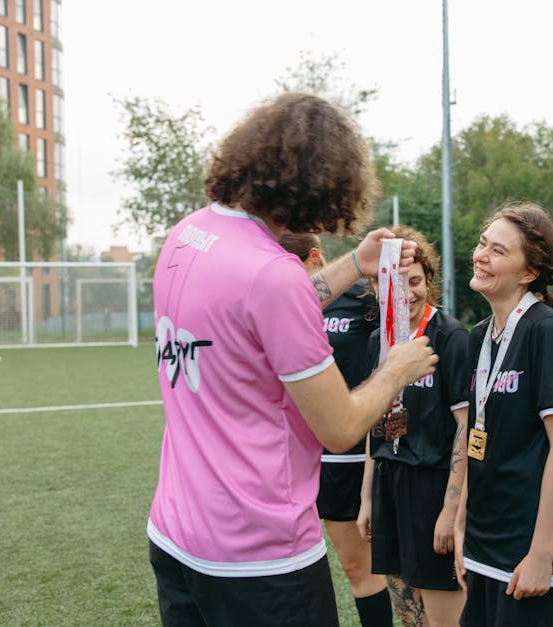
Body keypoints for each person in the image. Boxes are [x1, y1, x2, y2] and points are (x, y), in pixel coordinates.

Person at [148, 92, 437, 627]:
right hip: (258, 554)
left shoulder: (187, 235)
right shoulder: (273, 274)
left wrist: (356, 263)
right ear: (321, 185)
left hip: (175, 534)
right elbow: (339, 427)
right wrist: (397, 368)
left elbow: (260, 310)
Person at [454, 202, 553, 627]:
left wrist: (541, 555)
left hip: (528, 551)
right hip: (483, 542)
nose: (481, 256)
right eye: (482, 244)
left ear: (528, 272)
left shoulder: (546, 331)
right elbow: (478, 437)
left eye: (498, 251)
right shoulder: (479, 336)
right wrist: (461, 526)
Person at [278, 231, 393, 627]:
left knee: (357, 565)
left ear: (315, 257)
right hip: (292, 457)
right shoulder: (278, 305)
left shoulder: (363, 298)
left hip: (346, 454)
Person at [357, 225, 469, 627]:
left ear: (429, 280)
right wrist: (367, 497)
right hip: (388, 483)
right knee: (408, 614)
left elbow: (465, 427)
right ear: (377, 286)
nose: (407, 293)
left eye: (415, 281)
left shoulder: (451, 337)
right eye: (395, 283)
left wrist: (451, 511)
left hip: (431, 486)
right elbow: (374, 421)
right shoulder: (379, 341)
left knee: (442, 619)